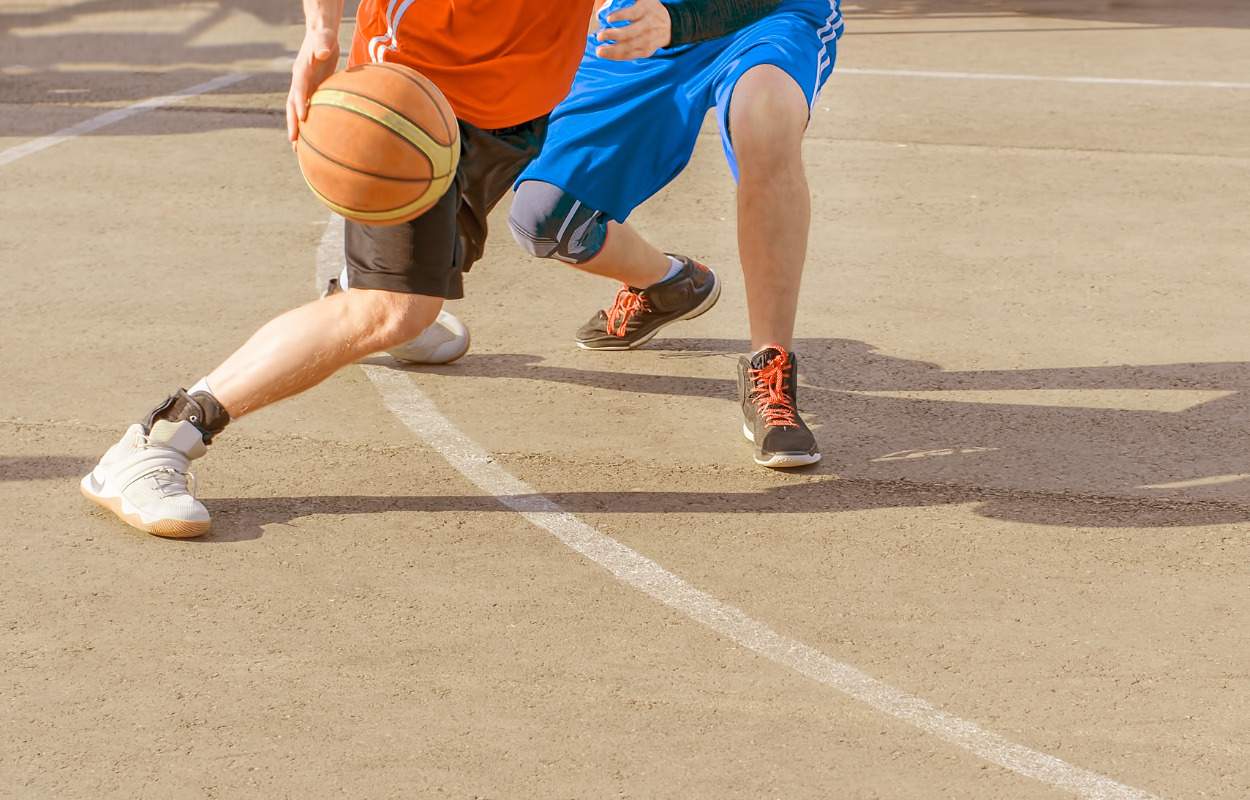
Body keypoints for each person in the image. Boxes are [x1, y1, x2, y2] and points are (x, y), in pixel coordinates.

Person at [79, 0, 594, 538]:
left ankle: (367, 292)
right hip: (411, 96)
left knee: (409, 294)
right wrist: (321, 32)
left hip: (515, 99)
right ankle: (159, 442)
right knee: (394, 310)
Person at [500, 0, 842, 468]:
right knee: (545, 219)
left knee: (765, 116)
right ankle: (667, 285)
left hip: (765, 17)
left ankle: (771, 368)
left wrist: (680, 20)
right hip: (639, 16)